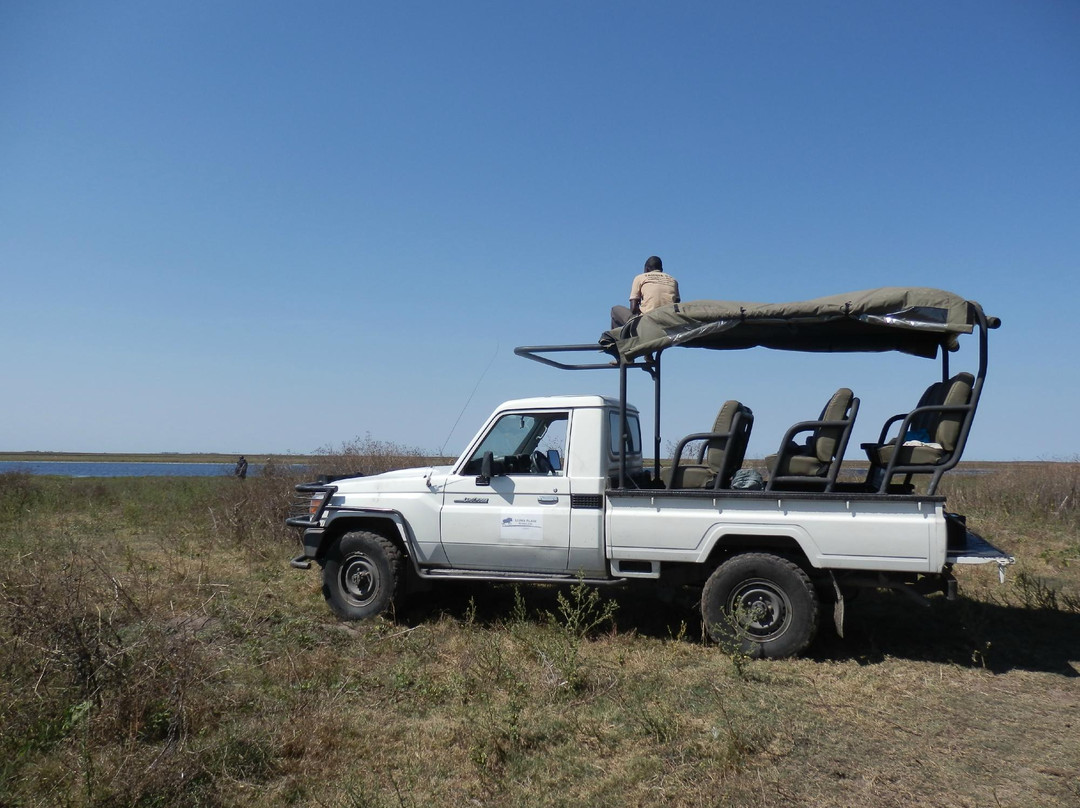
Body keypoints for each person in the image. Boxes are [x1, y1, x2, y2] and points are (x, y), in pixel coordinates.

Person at [611, 255, 681, 328]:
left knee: (615, 310)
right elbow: (677, 303)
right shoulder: (673, 280)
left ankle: (618, 334)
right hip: (668, 319)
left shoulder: (640, 277)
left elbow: (633, 309)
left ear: (646, 269)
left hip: (647, 320)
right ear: (661, 269)